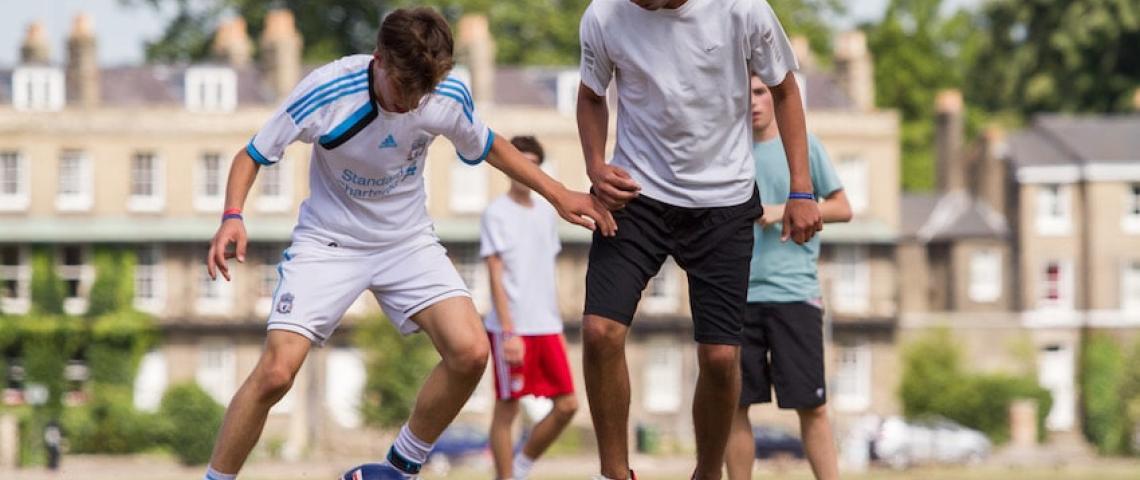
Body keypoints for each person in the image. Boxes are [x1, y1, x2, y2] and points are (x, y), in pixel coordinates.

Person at [201, 7, 614, 480]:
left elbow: (492, 146)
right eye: (403, 87)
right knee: (276, 373)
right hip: (330, 242)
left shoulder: (443, 94)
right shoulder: (327, 90)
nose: (413, 102)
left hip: (406, 241)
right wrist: (232, 216)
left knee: (472, 352)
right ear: (378, 60)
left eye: (423, 91)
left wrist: (558, 194)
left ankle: (400, 466)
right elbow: (250, 155)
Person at [575, 1, 822, 479]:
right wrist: (595, 166)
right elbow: (590, 95)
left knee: (720, 356)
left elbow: (785, 91)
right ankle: (614, 473)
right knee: (599, 331)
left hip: (723, 203)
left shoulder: (742, 10)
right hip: (637, 195)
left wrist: (801, 190)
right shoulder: (604, 15)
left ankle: (708, 474)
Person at [724, 75, 852, 480]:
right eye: (746, 94)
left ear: (776, 96)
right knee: (733, 404)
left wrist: (784, 208)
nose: (754, 103)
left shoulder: (804, 147)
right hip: (735, 297)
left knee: (812, 407)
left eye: (761, 92)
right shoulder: (727, 152)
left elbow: (842, 207)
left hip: (794, 293)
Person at [481, 136, 579, 480]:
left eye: (533, 163)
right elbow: (495, 274)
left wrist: (558, 326)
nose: (526, 170)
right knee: (507, 408)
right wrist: (508, 331)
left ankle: (521, 466)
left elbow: (544, 273)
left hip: (546, 326)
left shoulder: (546, 214)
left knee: (568, 404)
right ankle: (505, 477)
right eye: (520, 162)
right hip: (512, 328)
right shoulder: (496, 213)